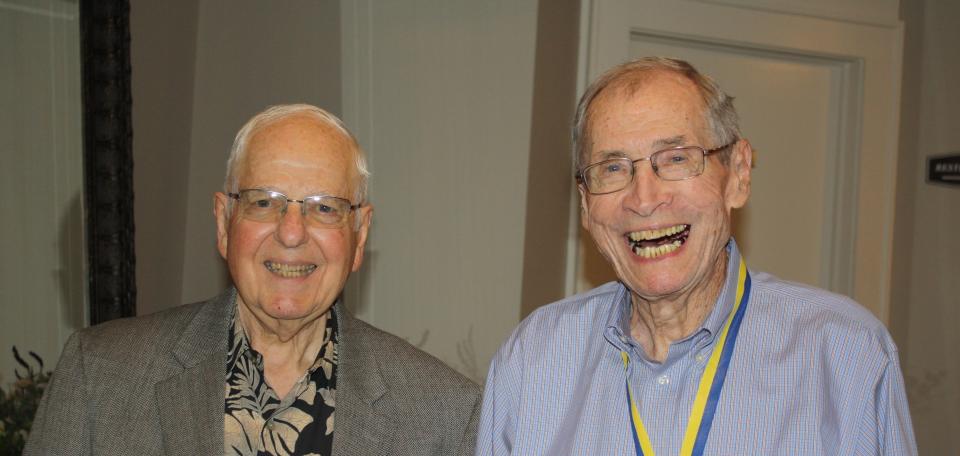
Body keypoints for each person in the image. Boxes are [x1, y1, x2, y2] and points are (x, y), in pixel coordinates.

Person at [476, 57, 916, 455]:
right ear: (586, 205)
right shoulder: (531, 360)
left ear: (738, 175)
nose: (644, 199)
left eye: (676, 158)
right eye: (612, 168)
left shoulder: (845, 354)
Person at [26, 104, 480, 455]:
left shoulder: (443, 414)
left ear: (359, 236)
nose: (291, 232)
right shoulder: (102, 378)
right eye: (264, 203)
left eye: (324, 207)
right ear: (224, 223)